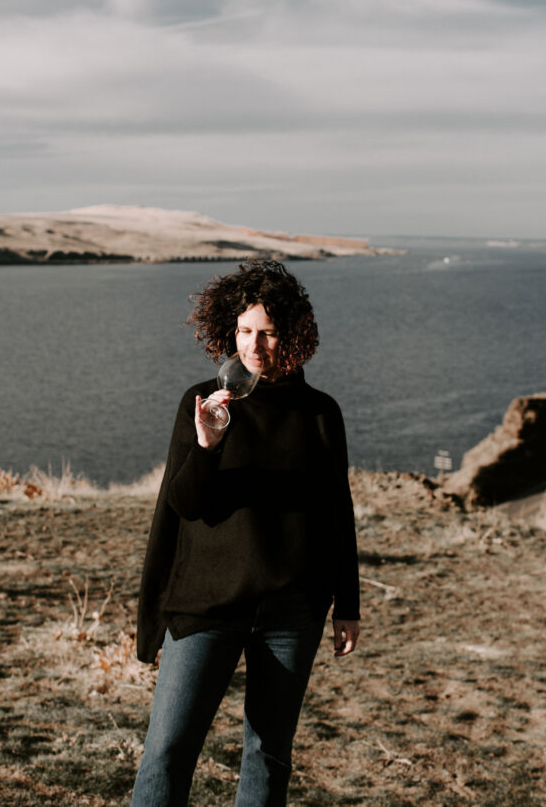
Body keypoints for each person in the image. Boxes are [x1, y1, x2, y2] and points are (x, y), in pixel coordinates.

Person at [131, 259, 360, 807]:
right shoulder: (205, 403)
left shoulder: (321, 414)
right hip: (207, 606)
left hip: (291, 612)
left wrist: (346, 603)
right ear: (229, 332)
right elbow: (182, 505)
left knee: (268, 754)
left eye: (269, 331)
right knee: (167, 751)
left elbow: (337, 513)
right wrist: (207, 445)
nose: (254, 345)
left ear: (294, 336)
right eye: (244, 331)